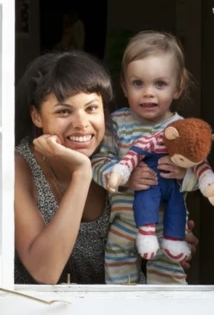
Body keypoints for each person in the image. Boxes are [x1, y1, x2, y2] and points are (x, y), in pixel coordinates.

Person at [13, 50, 197, 285]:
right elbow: (45, 271)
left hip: (117, 303)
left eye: (91, 109)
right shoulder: (19, 166)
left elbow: (150, 227)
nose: (81, 124)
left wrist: (172, 242)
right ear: (36, 116)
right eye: (64, 111)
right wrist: (82, 172)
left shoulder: (121, 158)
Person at [91, 31, 201, 285]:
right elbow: (96, 164)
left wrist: (185, 175)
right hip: (124, 224)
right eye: (138, 83)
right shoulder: (115, 124)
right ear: (124, 86)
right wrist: (125, 179)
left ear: (178, 88)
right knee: (120, 287)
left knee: (168, 289)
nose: (148, 93)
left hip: (168, 228)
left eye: (160, 84)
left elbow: (201, 177)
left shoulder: (183, 129)